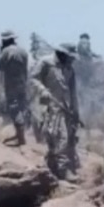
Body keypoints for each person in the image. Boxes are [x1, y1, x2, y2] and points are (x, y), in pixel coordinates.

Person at [31, 43, 81, 180]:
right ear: (63, 54)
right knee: (55, 136)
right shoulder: (46, 62)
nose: (72, 60)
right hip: (48, 107)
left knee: (65, 138)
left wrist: (76, 111)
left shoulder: (70, 69)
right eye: (70, 57)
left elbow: (73, 92)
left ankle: (59, 167)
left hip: (64, 109)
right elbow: (33, 78)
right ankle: (57, 168)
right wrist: (42, 90)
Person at [0, 30, 30, 146]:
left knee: (14, 108)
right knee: (21, 107)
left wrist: (1, 52)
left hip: (11, 84)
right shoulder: (23, 51)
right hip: (22, 83)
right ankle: (19, 134)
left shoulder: (6, 51)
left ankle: (21, 138)